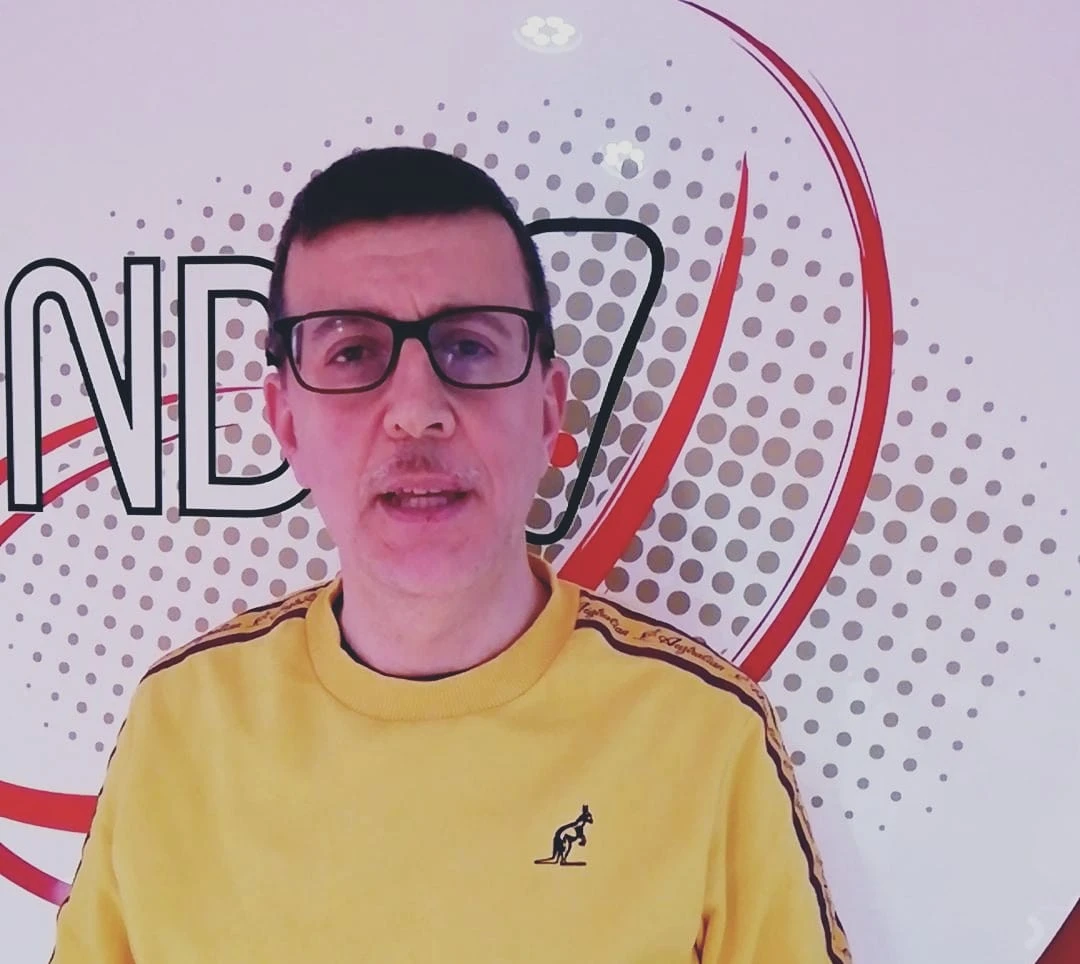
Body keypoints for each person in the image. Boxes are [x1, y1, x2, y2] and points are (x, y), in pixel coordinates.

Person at [51, 146, 851, 963]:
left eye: (467, 345)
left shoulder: (704, 735)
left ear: (548, 409)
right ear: (286, 421)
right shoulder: (182, 725)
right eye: (354, 353)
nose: (417, 410)